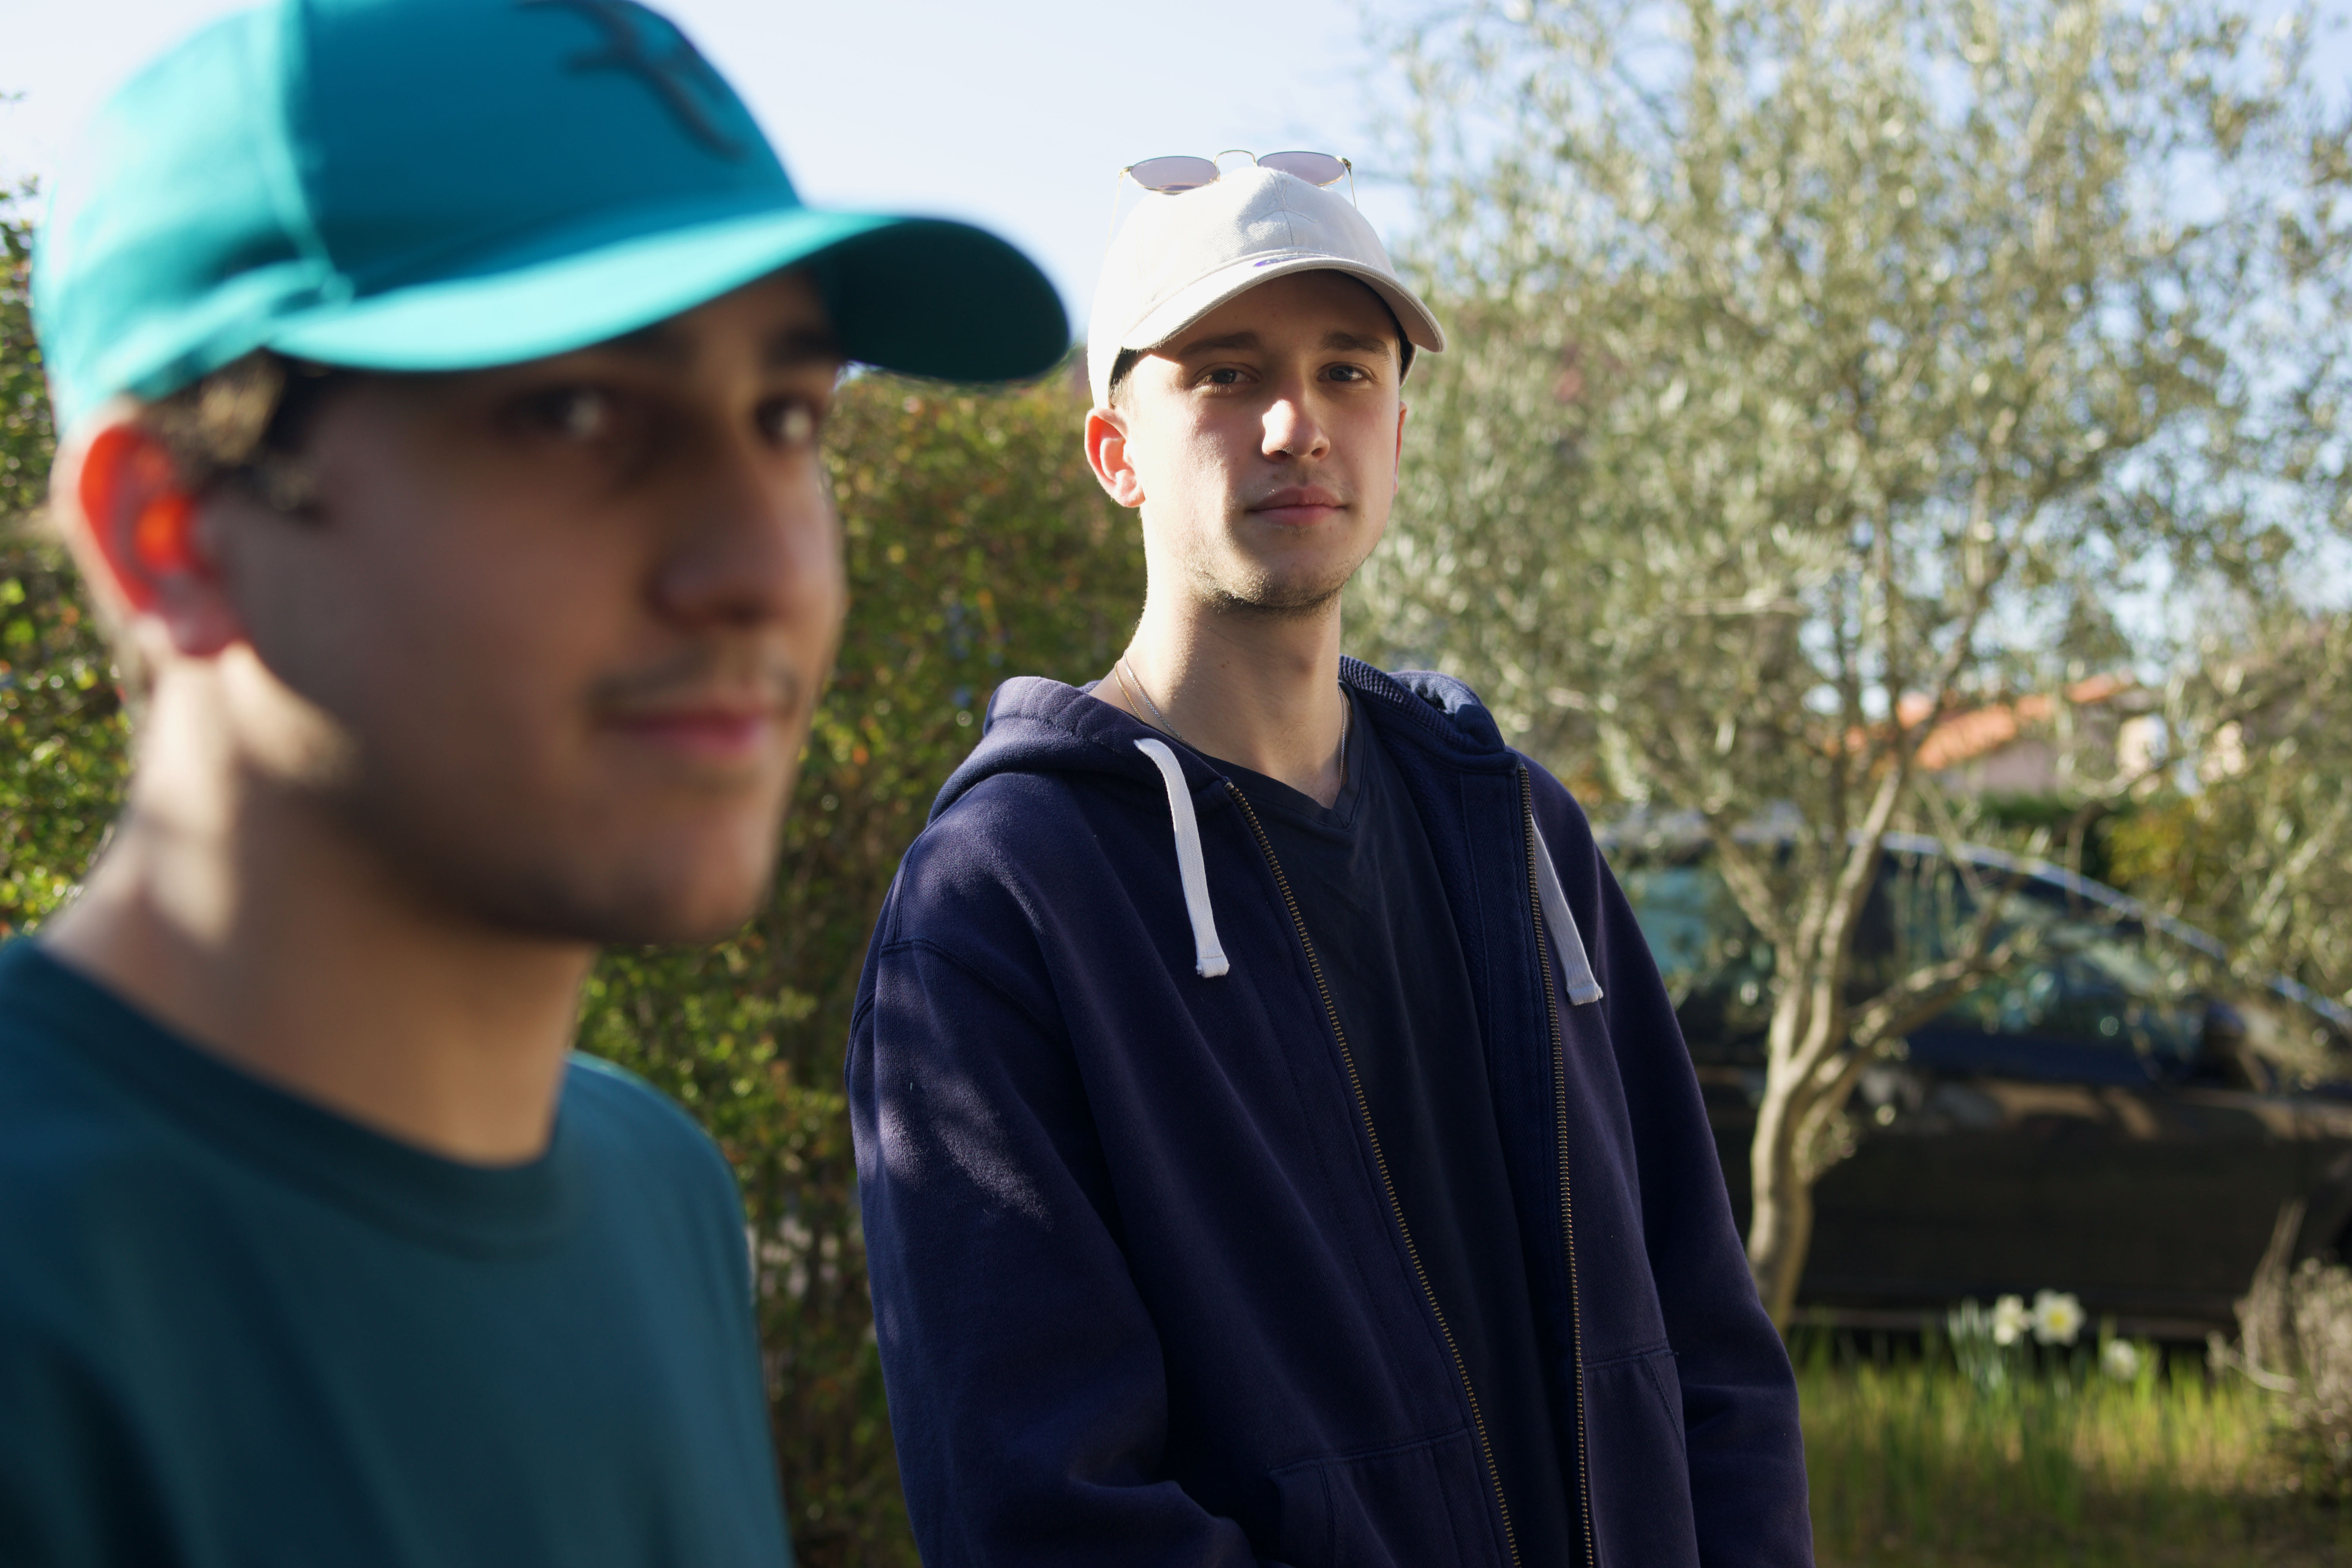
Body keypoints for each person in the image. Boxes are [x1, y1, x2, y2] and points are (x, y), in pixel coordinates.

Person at [2, 1, 1064, 1563]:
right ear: (172, 531)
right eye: (576, 413)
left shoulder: (657, 1198)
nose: (766, 570)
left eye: (787, 419)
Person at [848, 160, 1812, 1566]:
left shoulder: (1520, 834)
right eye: (1226, 375)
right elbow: (1042, 1506)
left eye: (1347, 371)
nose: (1297, 424)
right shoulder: (1004, 900)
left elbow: (1708, 1342)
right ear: (1117, 453)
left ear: (1399, 433)